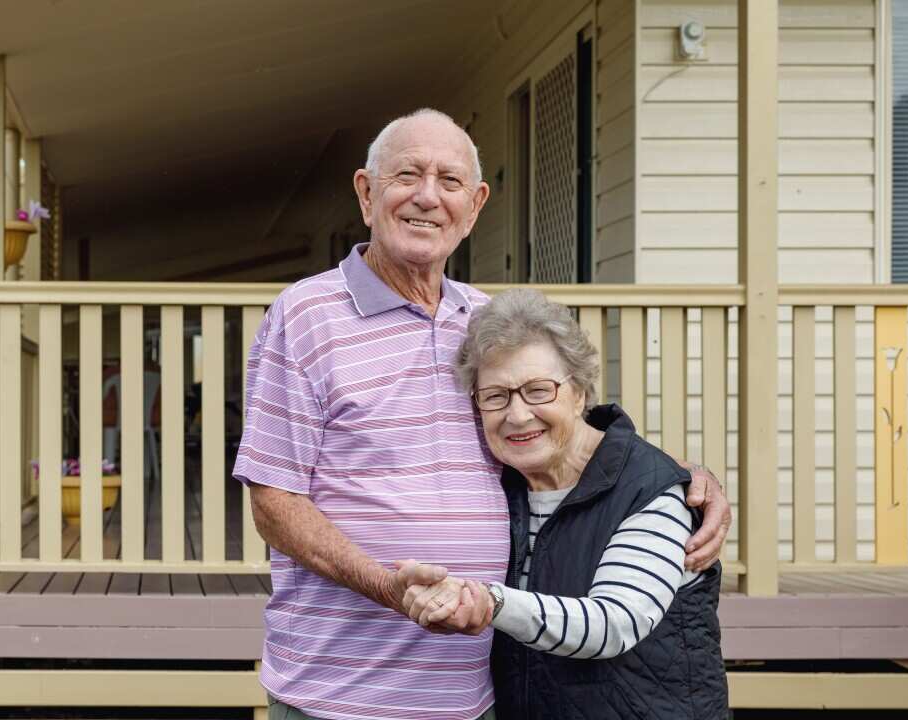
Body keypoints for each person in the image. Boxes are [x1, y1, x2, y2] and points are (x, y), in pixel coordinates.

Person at [233, 108, 730, 720]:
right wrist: (387, 587)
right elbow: (274, 503)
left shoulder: (486, 319)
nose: (427, 196)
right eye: (407, 175)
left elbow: (561, 433)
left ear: (474, 207)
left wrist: (680, 480)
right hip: (340, 695)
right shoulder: (306, 315)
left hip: (477, 694)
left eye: (449, 181)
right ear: (366, 193)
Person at [402, 288, 728, 719]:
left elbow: (615, 623)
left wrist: (492, 602)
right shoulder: (499, 487)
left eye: (538, 391)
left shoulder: (653, 490)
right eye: (496, 396)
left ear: (579, 393)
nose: (517, 415)